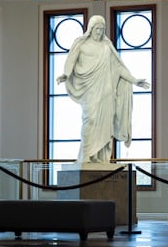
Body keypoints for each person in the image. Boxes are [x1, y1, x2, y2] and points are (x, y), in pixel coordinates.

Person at [56, 15, 149, 163]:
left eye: (102, 29)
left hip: (107, 94)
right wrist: (66, 75)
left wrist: (135, 80)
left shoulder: (107, 47)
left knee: (106, 126)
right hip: (90, 91)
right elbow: (71, 61)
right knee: (90, 120)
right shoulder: (81, 45)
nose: (99, 32)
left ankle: (100, 157)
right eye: (97, 29)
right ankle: (86, 155)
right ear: (91, 29)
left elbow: (119, 68)